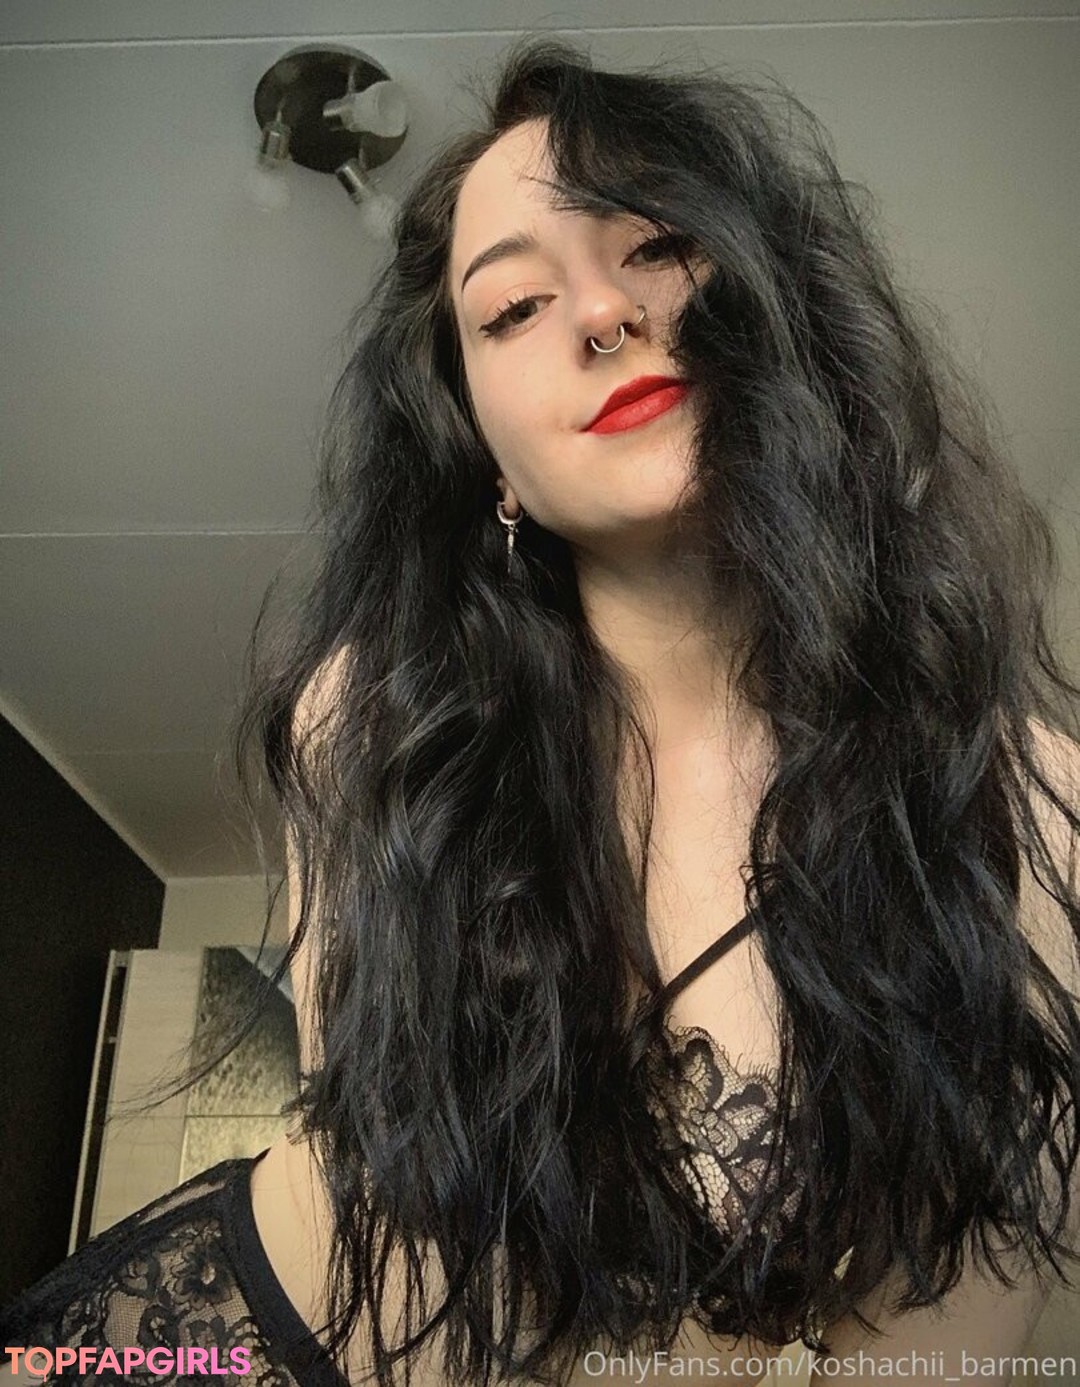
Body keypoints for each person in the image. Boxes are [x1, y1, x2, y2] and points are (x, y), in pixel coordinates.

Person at [5, 33, 1080, 1387]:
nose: (601, 313)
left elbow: (942, 1340)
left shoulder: (1035, 803)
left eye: (657, 245)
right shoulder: (379, 721)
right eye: (511, 308)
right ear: (489, 459)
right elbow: (383, 1184)